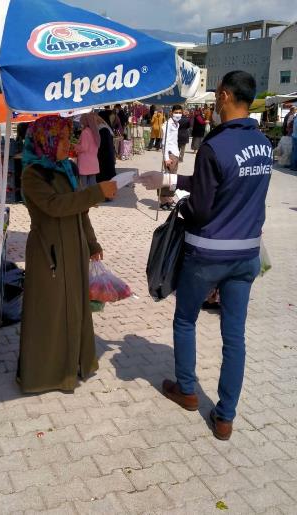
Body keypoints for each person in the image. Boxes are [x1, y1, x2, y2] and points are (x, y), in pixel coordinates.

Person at [140, 71, 272, 440]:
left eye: (217, 97)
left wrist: (181, 206)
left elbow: (202, 207)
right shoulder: (263, 145)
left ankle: (187, 390)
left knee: (185, 320)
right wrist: (170, 181)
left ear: (227, 96)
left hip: (208, 253)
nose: (214, 104)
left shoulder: (216, 146)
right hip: (246, 255)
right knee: (235, 337)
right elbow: (228, 186)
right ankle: (226, 417)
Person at [18, 115, 117, 393]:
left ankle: (74, 366)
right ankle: (46, 375)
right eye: (61, 138)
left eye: (67, 137)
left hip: (74, 250)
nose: (67, 143)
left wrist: (92, 243)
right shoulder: (31, 174)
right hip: (49, 254)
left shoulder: (67, 168)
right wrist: (97, 191)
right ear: (44, 141)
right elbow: (55, 205)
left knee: (74, 309)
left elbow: (79, 211)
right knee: (50, 314)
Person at [159, 105, 183, 210]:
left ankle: (169, 198)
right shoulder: (167, 125)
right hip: (170, 155)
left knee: (173, 179)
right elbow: (164, 143)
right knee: (168, 178)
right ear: (171, 112)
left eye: (180, 112)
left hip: (175, 153)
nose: (178, 114)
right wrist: (166, 158)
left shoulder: (176, 124)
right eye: (176, 112)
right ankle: (164, 201)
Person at [74, 113, 100, 189]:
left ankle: (85, 199)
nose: (81, 123)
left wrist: (75, 146)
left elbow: (84, 147)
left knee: (83, 184)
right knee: (93, 182)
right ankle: (94, 197)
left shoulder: (85, 132)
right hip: (93, 160)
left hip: (85, 161)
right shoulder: (95, 132)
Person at [95, 114, 117, 186]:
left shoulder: (102, 130)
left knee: (105, 177)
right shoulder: (104, 128)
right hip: (107, 156)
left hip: (104, 157)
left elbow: (101, 145)